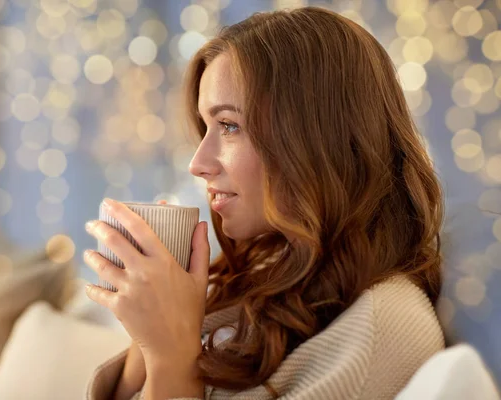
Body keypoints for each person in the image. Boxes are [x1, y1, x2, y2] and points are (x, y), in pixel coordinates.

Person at [82, 6, 445, 400]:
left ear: (316, 138)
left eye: (229, 125)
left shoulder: (381, 330)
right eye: (206, 127)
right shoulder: (266, 274)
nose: (198, 164)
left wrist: (173, 358)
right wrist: (150, 331)